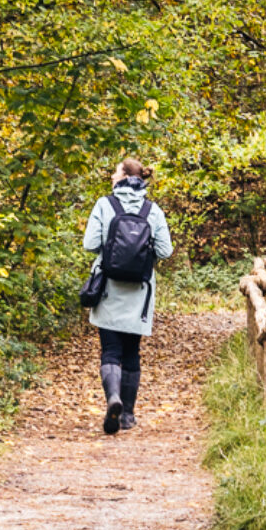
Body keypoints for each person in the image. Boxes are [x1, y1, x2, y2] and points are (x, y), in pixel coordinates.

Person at [83, 157, 174, 434]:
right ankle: (127, 416)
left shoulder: (104, 204)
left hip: (108, 289)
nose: (112, 176)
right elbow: (165, 250)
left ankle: (113, 398)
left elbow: (90, 244)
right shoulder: (152, 210)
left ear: (123, 177)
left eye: (115, 172)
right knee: (132, 351)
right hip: (139, 293)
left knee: (110, 350)